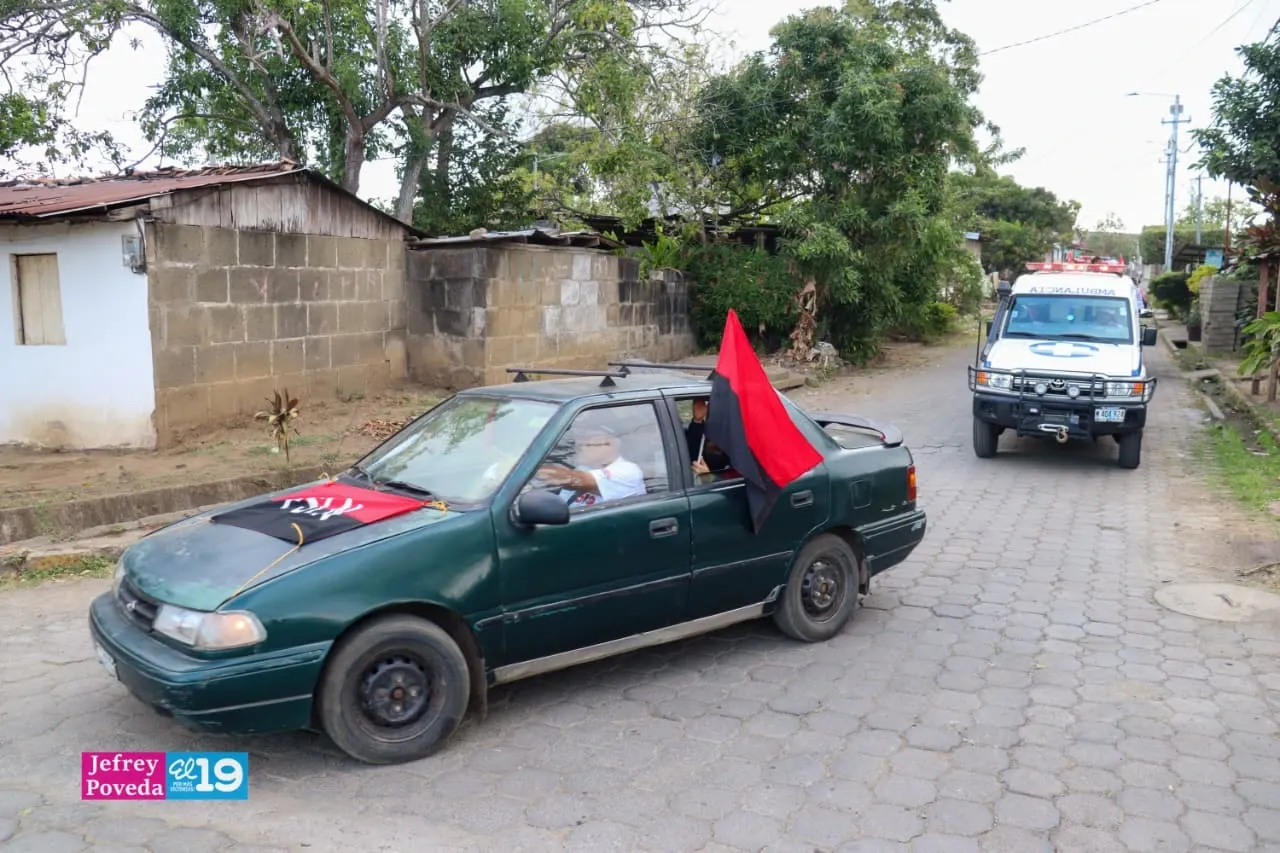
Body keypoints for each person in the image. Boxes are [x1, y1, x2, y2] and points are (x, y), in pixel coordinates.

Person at [536, 424, 645, 507]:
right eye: (580, 441)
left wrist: (529, 471)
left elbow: (572, 479)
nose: (579, 446)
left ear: (609, 444)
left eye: (587, 443)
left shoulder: (627, 471)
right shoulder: (585, 468)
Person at [684, 398, 732, 477]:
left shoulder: (738, 445)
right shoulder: (702, 435)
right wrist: (697, 421)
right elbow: (689, 452)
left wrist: (708, 476)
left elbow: (735, 483)